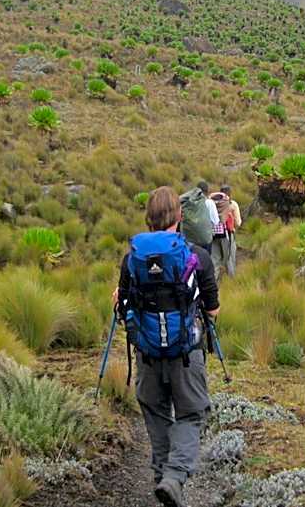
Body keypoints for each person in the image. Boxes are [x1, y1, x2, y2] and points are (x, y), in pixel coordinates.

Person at [115, 186, 220, 507]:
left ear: (148, 218)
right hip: (186, 354)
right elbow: (213, 309)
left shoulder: (132, 257)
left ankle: (163, 478)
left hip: (147, 353)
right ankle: (174, 478)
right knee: (191, 414)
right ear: (180, 216)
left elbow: (122, 306)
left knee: (156, 412)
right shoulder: (196, 256)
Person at [210, 185, 242, 279]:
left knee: (215, 259)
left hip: (214, 234)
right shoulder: (232, 204)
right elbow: (238, 223)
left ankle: (213, 282)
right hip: (228, 234)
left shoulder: (212, 203)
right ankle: (231, 281)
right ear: (229, 193)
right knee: (229, 259)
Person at [178, 181, 219, 253]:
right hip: (205, 239)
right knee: (205, 260)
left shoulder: (188, 202)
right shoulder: (209, 202)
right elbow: (215, 221)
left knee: (190, 261)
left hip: (189, 239)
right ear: (207, 191)